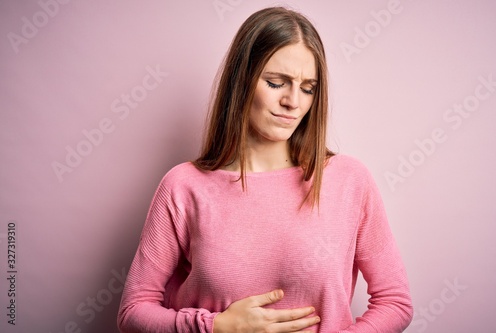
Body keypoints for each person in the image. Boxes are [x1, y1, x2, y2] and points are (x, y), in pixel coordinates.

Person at [117, 6, 413, 333]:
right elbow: (133, 312)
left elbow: (395, 301)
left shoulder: (349, 181)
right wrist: (216, 327)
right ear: (242, 80)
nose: (293, 102)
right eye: (276, 83)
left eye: (308, 88)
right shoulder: (184, 186)